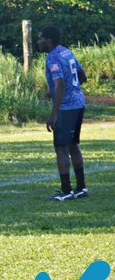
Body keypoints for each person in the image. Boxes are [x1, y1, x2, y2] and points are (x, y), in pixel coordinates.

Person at [37, 25, 88, 201]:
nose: (38, 42)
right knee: (73, 145)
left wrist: (54, 114)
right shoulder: (66, 52)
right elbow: (82, 76)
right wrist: (65, 92)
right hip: (79, 103)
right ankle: (81, 188)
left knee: (61, 148)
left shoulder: (52, 58)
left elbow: (60, 85)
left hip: (66, 108)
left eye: (41, 38)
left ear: (49, 40)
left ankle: (66, 192)